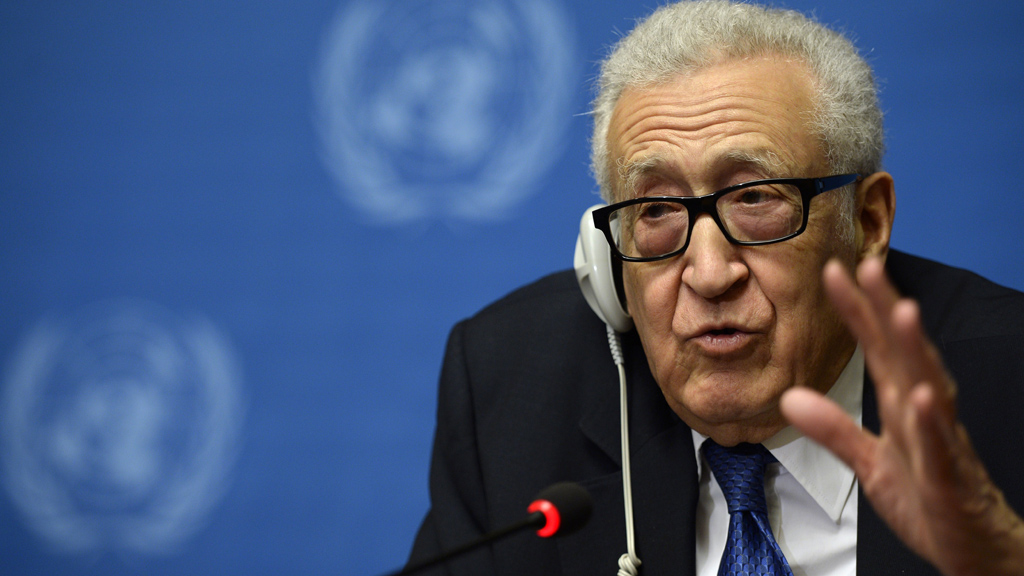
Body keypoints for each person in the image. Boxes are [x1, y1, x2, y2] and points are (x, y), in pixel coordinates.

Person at [406, 2, 1024, 575]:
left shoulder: (1008, 385)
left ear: (866, 224)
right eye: (655, 211)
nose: (708, 274)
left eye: (755, 198)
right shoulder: (510, 390)